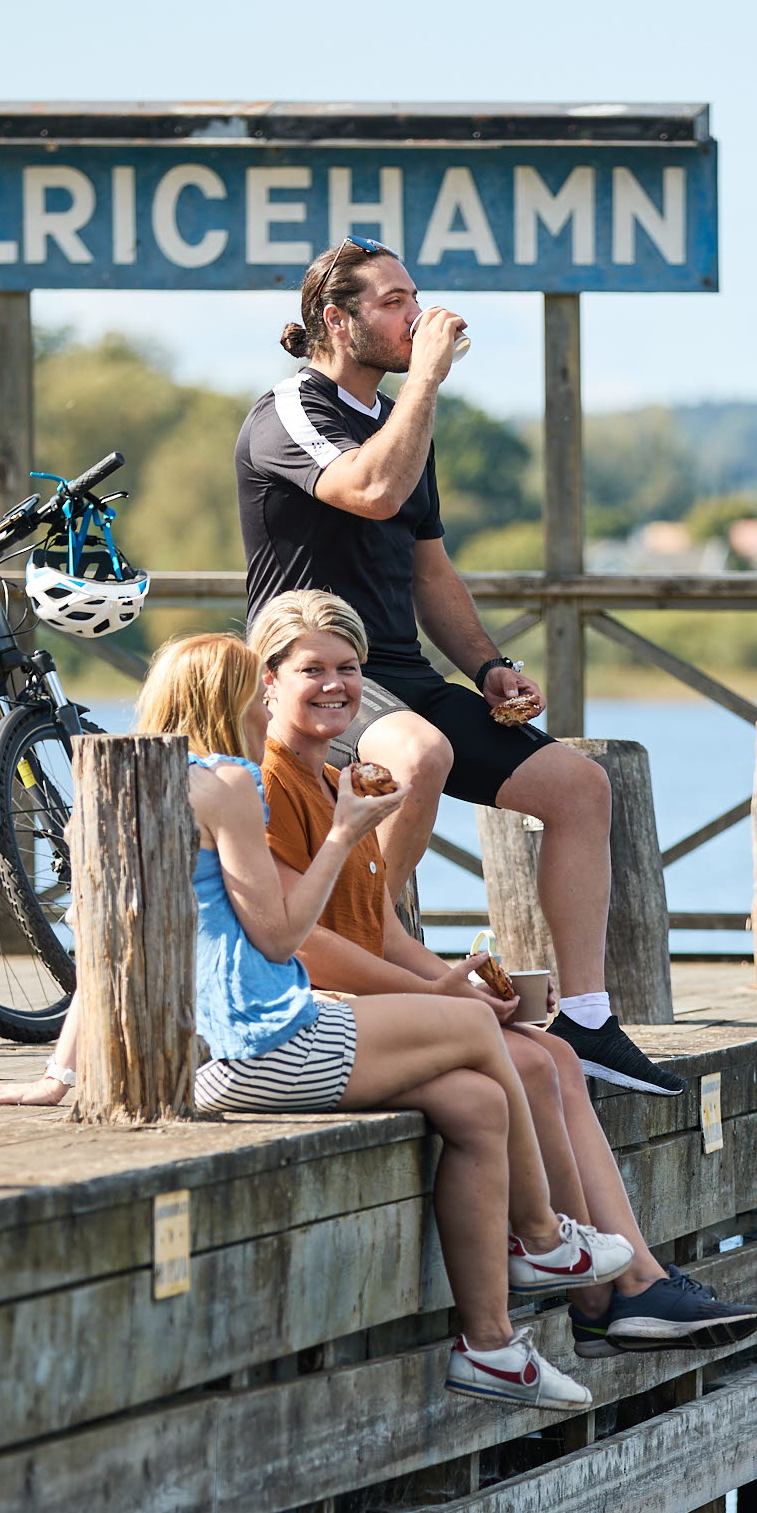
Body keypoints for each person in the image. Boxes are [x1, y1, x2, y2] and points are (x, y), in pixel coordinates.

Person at [0, 632, 636, 1409]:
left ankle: (492, 1349)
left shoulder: (121, 792)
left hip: (210, 1059)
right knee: (484, 1032)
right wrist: (346, 831)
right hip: (266, 1043)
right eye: (259, 686)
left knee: (478, 1103)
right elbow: (281, 937)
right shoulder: (227, 783)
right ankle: (544, 1239)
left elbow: (109, 950)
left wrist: (60, 1075)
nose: (269, 702)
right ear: (229, 698)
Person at [249, 589, 757, 1358]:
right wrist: (438, 996)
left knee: (553, 1051)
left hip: (374, 1001)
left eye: (349, 669)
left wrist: (464, 981)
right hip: (315, 1012)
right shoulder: (268, 784)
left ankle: (628, 1281)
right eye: (312, 670)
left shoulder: (337, 780)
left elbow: (377, 927)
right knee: (528, 1061)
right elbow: (307, 944)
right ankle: (608, 1293)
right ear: (268, 681)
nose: (335, 686)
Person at [235, 235, 686, 1098]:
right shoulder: (288, 410)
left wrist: (488, 668)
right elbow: (369, 492)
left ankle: (587, 1018)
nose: (421, 315)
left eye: (415, 297)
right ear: (337, 319)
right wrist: (428, 383)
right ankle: (369, 955)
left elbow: (431, 569)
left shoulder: (403, 422)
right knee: (419, 756)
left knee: (580, 788)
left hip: (402, 675)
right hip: (313, 677)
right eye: (395, 301)